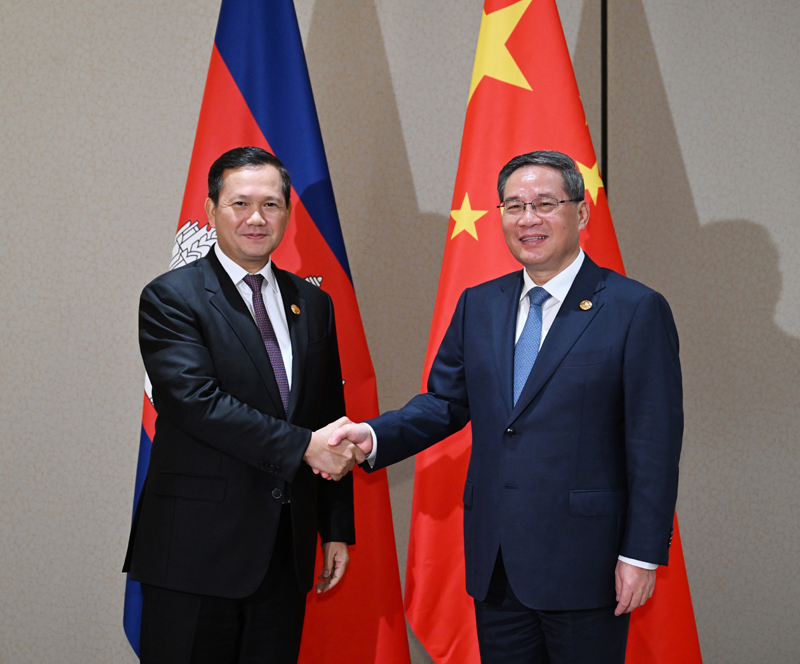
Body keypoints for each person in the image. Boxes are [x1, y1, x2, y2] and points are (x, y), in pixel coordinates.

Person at [330, 150, 683, 663]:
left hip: (588, 563)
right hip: (497, 564)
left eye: (545, 204)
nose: (528, 219)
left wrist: (641, 553)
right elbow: (444, 402)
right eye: (514, 206)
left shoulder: (634, 308)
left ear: (581, 212)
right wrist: (373, 436)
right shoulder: (479, 304)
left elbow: (654, 444)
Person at [123, 146, 363, 664]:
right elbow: (195, 403)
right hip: (194, 553)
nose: (256, 218)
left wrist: (335, 527)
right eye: (240, 204)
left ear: (287, 213)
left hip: (283, 551)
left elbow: (328, 416)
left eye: (271, 204)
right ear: (211, 211)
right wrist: (304, 447)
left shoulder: (312, 304)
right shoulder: (171, 297)